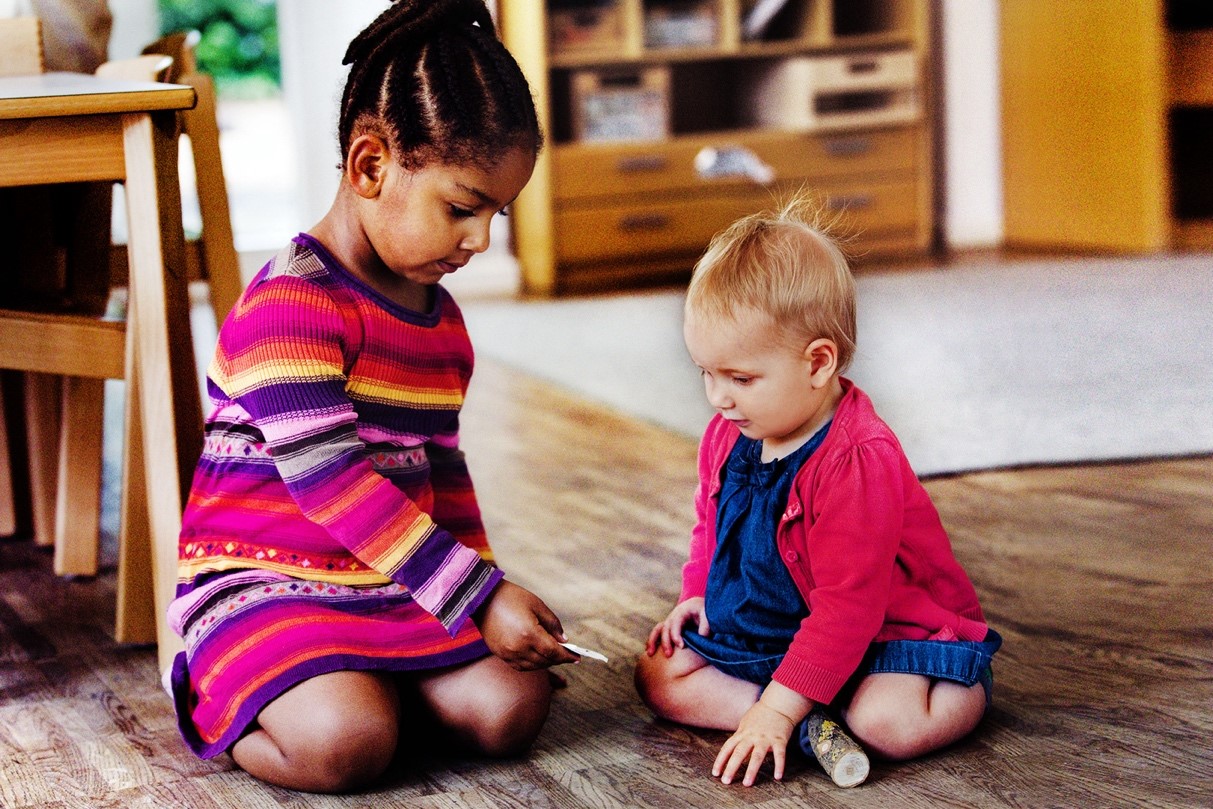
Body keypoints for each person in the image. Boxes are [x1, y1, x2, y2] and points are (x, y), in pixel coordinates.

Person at [166, 0, 580, 793]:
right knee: (343, 745)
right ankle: (214, 686)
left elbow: (445, 477)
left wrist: (483, 589)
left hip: (391, 580)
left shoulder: (442, 322)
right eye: (462, 207)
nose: (481, 240)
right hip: (266, 584)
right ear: (369, 166)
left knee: (510, 707)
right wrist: (477, 597)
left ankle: (377, 685)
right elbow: (334, 483)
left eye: (498, 212)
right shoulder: (290, 306)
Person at [634, 197, 1002, 788]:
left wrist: (774, 707)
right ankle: (811, 721)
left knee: (890, 724)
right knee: (660, 670)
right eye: (705, 372)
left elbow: (849, 608)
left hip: (882, 635)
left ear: (818, 363)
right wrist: (698, 592)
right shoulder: (729, 434)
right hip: (778, 635)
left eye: (740, 378)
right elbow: (710, 523)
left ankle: (959, 686)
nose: (717, 398)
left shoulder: (856, 460)